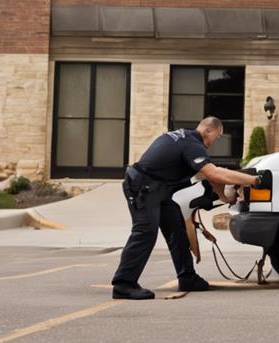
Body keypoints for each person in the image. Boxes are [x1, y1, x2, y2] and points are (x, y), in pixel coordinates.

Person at [110, 117, 263, 300]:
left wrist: (223, 197)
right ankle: (123, 284)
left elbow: (210, 174)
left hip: (158, 188)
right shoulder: (192, 144)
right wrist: (255, 180)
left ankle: (187, 277)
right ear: (208, 131)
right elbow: (213, 173)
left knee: (177, 229)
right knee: (145, 232)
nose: (216, 140)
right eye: (218, 136)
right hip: (143, 187)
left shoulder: (186, 138)